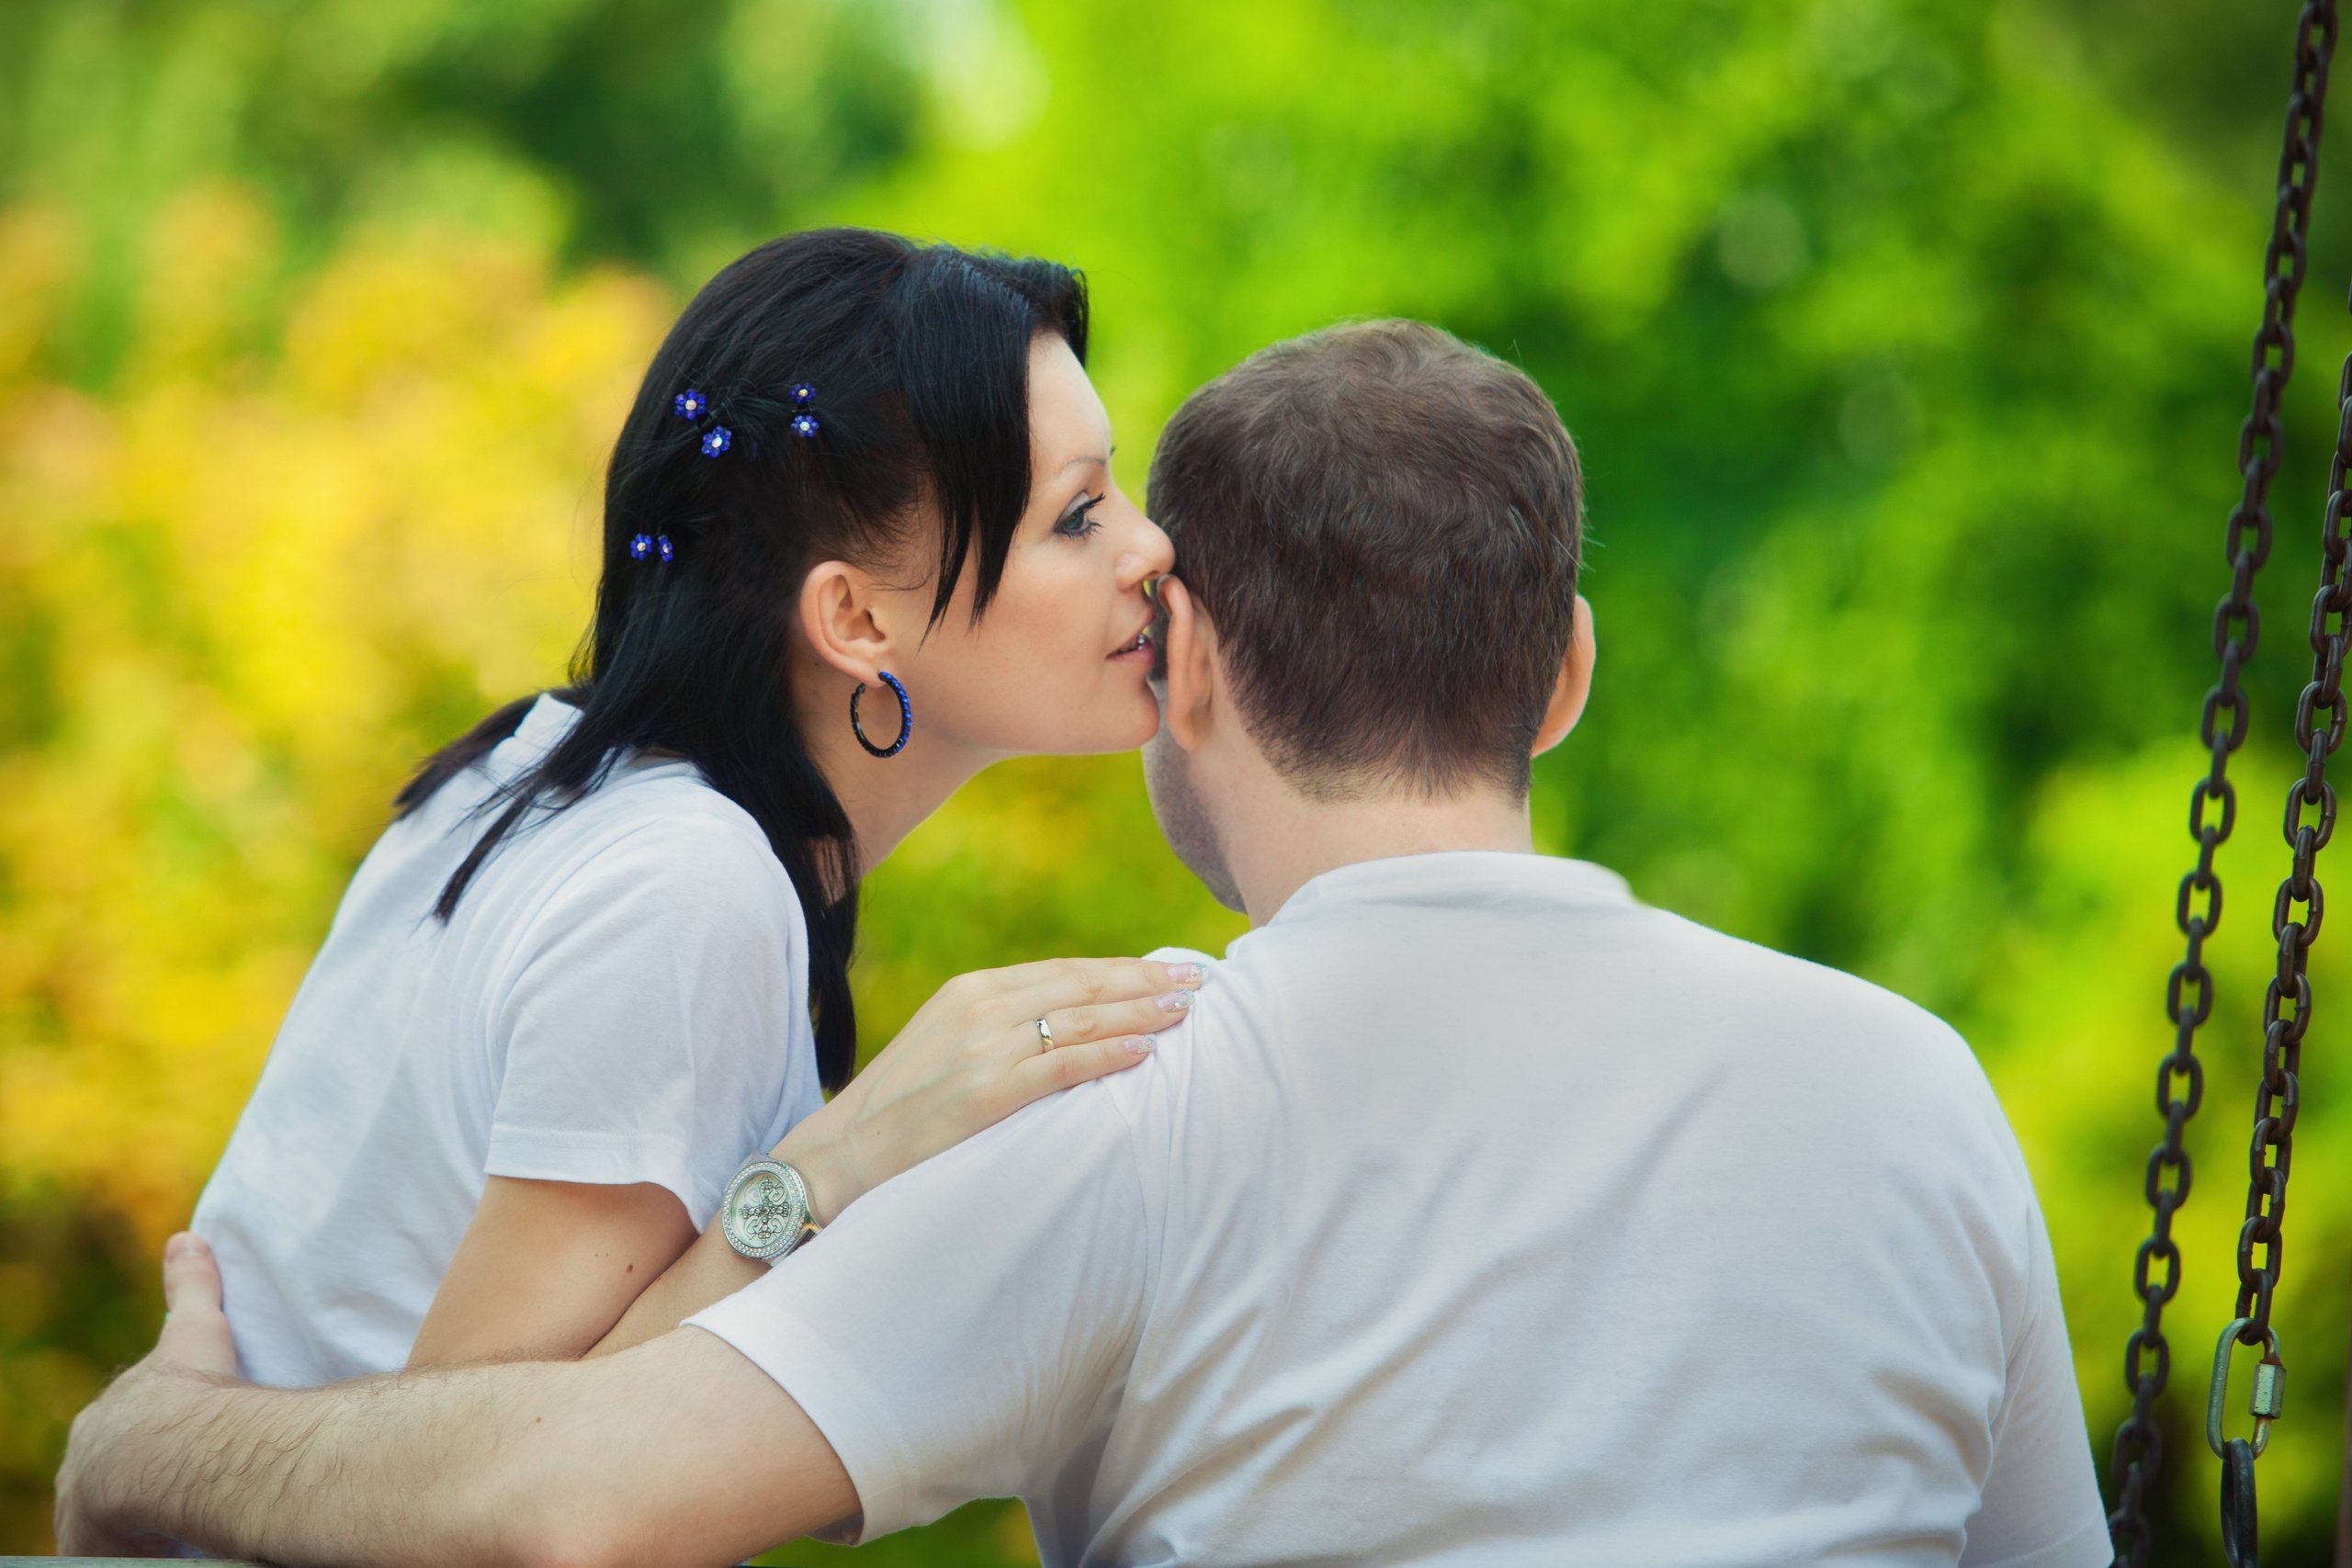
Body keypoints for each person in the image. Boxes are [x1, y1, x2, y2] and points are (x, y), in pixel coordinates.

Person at [59, 321, 2109, 1567]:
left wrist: (160, 1436)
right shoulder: (1911, 1079)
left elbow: (564, 1505)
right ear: (1559, 675)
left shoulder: (1117, 1097)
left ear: (1184, 658)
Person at [185, 225, 1201, 1389]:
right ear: (858, 622)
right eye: (1077, 516)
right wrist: (846, 1161)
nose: (1150, 547)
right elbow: (468, 1475)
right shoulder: (682, 886)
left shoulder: (530, 770)